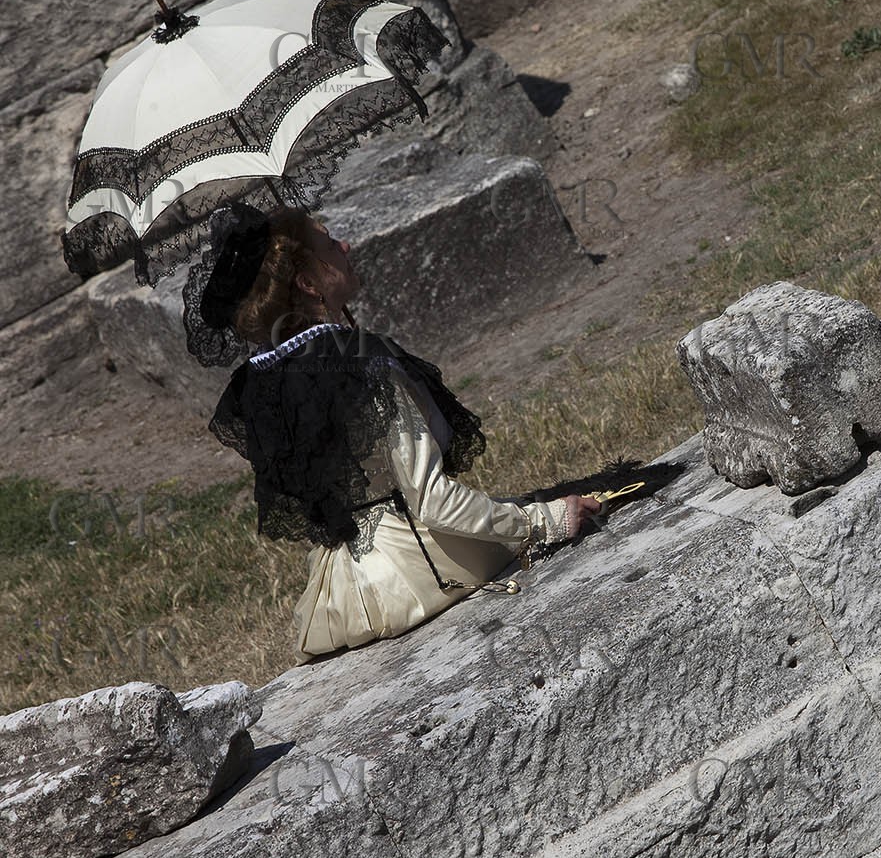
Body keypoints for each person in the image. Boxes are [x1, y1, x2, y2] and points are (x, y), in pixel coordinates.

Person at [180, 199, 600, 664]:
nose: (345, 245)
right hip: (425, 573)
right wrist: (545, 520)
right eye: (328, 242)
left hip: (339, 600)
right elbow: (433, 501)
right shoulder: (362, 364)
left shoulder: (263, 383)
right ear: (307, 282)